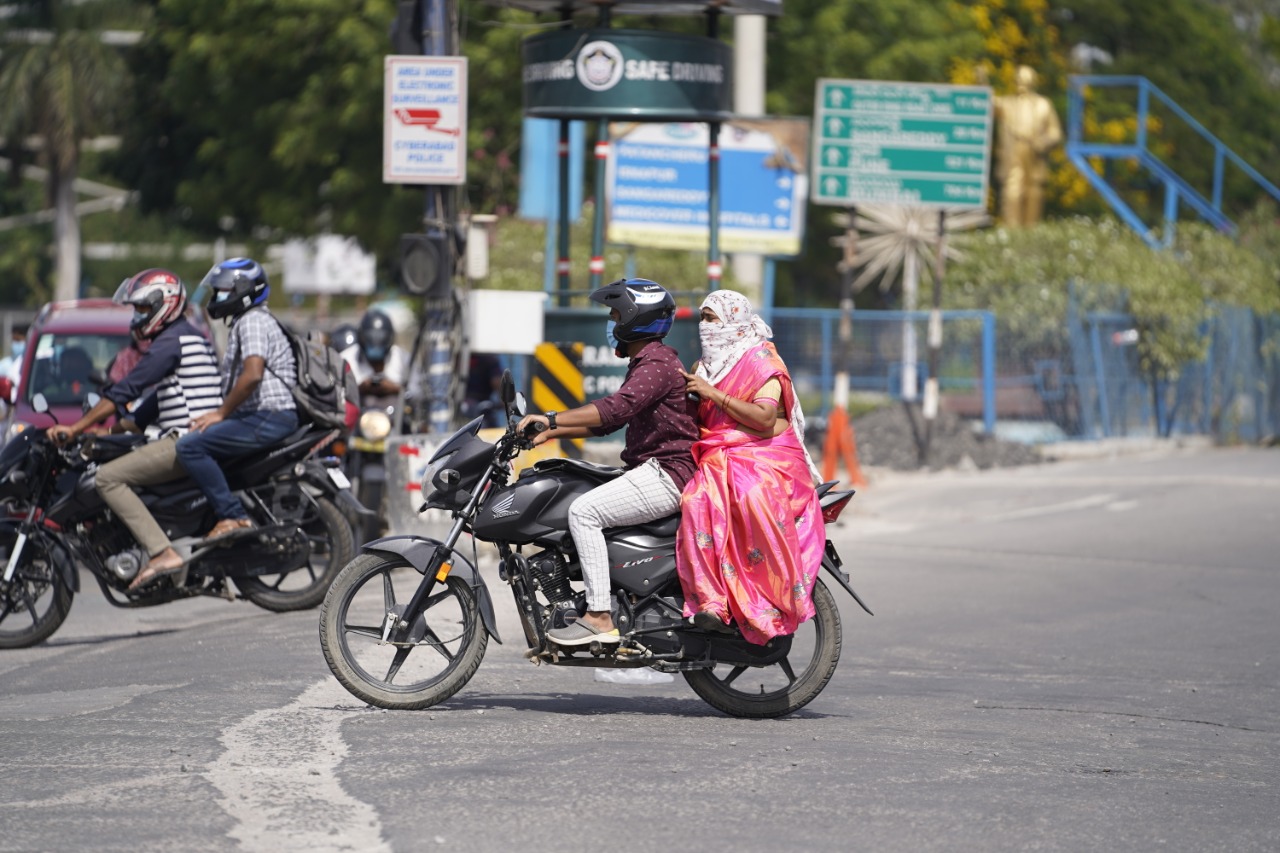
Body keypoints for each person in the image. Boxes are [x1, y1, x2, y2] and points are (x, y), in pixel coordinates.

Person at [517, 278, 697, 646]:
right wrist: (552, 433)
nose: (611, 323)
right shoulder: (649, 362)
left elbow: (616, 409)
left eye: (616, 315)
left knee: (583, 512)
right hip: (654, 469)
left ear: (636, 320)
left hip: (667, 474)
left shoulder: (657, 365)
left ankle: (599, 616)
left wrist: (551, 419)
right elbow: (612, 422)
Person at [45, 269, 222, 590]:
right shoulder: (186, 336)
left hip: (186, 441)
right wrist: (107, 434)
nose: (137, 317)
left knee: (107, 478)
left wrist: (75, 428)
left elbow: (126, 390)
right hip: (196, 437)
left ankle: (161, 551)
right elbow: (154, 403)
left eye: (141, 309)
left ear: (163, 305)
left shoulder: (170, 342)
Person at [676, 290, 825, 645]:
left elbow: (762, 418)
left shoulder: (762, 361)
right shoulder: (703, 367)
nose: (705, 326)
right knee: (695, 501)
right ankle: (711, 602)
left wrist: (712, 394)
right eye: (703, 318)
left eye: (713, 318)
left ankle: (762, 602)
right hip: (720, 452)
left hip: (764, 454)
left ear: (734, 320)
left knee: (749, 498)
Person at [176, 257, 298, 541]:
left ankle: (232, 515)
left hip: (269, 414)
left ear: (244, 291)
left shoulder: (252, 321)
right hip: (264, 415)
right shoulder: (250, 321)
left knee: (190, 447)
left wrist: (220, 413)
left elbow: (253, 373)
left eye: (223, 291)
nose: (217, 297)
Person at [994, 65, 1063, 227]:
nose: (1021, 85)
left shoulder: (1044, 104)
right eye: (1018, 81)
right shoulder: (1007, 103)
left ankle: (1031, 230)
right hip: (1013, 153)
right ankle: (1012, 231)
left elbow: (1055, 132)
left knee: (1034, 192)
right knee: (1012, 190)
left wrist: (1044, 142)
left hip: (1034, 153)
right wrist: (982, 82)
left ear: (1032, 82)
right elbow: (988, 102)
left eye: (1025, 81)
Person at [340, 309, 408, 410]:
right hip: (358, 415)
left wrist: (395, 389)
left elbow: (416, 392)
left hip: (395, 416)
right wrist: (360, 388)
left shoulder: (403, 358)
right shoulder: (346, 358)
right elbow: (338, 394)